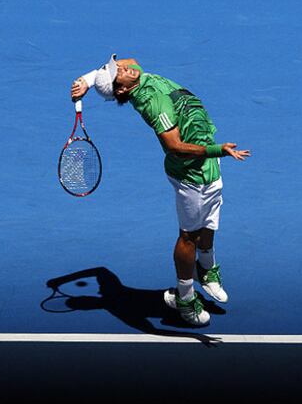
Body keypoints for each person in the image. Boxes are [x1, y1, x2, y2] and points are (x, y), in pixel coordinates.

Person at [71, 54, 251, 326]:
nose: (124, 66)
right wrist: (218, 151)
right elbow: (174, 146)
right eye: (116, 71)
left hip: (208, 166)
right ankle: (185, 298)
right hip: (190, 172)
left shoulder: (132, 73)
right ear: (122, 89)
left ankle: (206, 268)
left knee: (210, 223)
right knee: (189, 235)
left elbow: (100, 272)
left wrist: (86, 79)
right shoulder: (152, 102)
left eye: (116, 65)